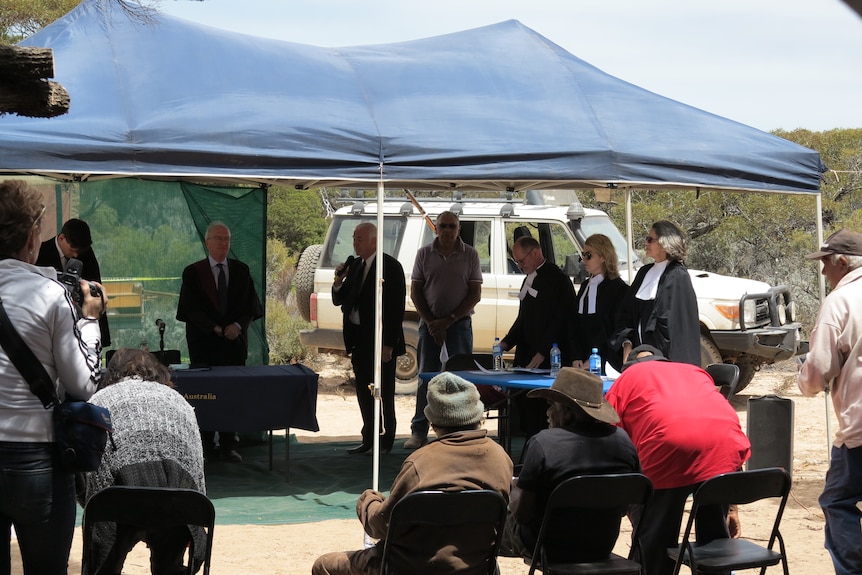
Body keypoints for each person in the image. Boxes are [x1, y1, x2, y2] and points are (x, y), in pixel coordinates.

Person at [0, 180, 105, 575]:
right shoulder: (50, 294)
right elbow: (83, 384)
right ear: (32, 237)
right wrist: (91, 320)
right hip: (36, 455)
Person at [311, 372, 512, 575]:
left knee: (323, 565)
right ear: (479, 416)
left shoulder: (421, 463)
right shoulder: (501, 458)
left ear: (432, 423)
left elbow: (382, 526)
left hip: (407, 567)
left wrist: (368, 502)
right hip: (475, 567)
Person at [605, 345, 750, 575]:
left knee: (655, 541)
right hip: (724, 451)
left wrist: (630, 503)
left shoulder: (627, 378)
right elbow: (723, 431)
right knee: (715, 542)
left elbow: (613, 443)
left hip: (668, 450)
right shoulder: (695, 371)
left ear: (629, 366)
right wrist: (732, 507)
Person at [77, 347, 207, 575]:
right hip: (177, 501)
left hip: (117, 502)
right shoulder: (180, 401)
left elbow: (85, 472)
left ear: (112, 374)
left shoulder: (98, 401)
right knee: (169, 559)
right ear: (158, 373)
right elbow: (196, 469)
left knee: (105, 562)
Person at [502, 368, 640, 562]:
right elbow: (624, 507)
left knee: (485, 525)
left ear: (567, 411)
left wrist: (512, 488)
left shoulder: (544, 443)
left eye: (551, 405)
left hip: (546, 547)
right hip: (600, 546)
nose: (547, 413)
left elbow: (522, 515)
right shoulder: (624, 442)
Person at [797, 229, 862, 575]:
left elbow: (818, 370)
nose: (823, 272)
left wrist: (803, 380)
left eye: (825, 263)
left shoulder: (841, 300)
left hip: (859, 428)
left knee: (837, 501)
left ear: (841, 261)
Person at [176, 221, 263, 463]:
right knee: (204, 395)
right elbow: (189, 310)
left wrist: (237, 326)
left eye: (227, 239)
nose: (224, 244)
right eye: (219, 239)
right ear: (208, 242)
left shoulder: (241, 270)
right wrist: (214, 328)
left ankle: (228, 444)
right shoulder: (194, 272)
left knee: (231, 395)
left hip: (234, 345)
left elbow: (251, 307)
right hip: (204, 345)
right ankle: (203, 445)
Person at [406, 211, 482, 449]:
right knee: (426, 378)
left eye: (453, 226)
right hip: (429, 326)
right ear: (436, 228)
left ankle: (461, 429)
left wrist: (448, 321)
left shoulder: (470, 254)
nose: (448, 230)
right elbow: (416, 292)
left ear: (459, 229)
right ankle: (419, 431)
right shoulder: (424, 254)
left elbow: (475, 294)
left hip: (459, 326)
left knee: (460, 378)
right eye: (444, 226)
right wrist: (431, 322)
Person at [332, 222, 406, 455]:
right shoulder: (355, 266)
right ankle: (369, 438)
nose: (355, 243)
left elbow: (395, 309)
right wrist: (338, 280)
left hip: (380, 340)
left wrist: (388, 345)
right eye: (354, 238)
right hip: (359, 339)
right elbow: (339, 299)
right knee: (364, 391)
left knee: (383, 391)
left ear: (374, 241)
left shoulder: (390, 267)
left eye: (360, 239)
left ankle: (386, 440)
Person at [501, 236, 576, 439]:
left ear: (535, 253)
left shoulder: (558, 280)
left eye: (521, 261)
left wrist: (543, 351)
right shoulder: (528, 279)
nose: (519, 266)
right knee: (524, 404)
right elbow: (522, 318)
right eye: (516, 261)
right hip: (526, 354)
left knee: (542, 406)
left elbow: (561, 320)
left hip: (549, 356)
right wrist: (507, 342)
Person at [610, 220, 700, 367]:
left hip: (662, 361)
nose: (645, 243)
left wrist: (650, 355)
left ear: (665, 244)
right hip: (637, 358)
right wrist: (627, 344)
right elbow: (626, 315)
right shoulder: (644, 272)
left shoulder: (677, 276)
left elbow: (674, 329)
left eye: (650, 239)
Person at [35, 217, 111, 347]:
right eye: (73, 250)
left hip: (83, 321)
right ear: (62, 238)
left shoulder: (86, 254)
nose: (76, 255)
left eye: (79, 252)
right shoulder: (41, 252)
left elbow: (95, 283)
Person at [570, 234, 629, 373]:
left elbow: (614, 329)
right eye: (582, 255)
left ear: (603, 256)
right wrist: (576, 355)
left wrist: (595, 357)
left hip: (606, 361)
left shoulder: (619, 289)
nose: (584, 259)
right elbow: (574, 324)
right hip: (581, 362)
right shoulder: (585, 286)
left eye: (588, 255)